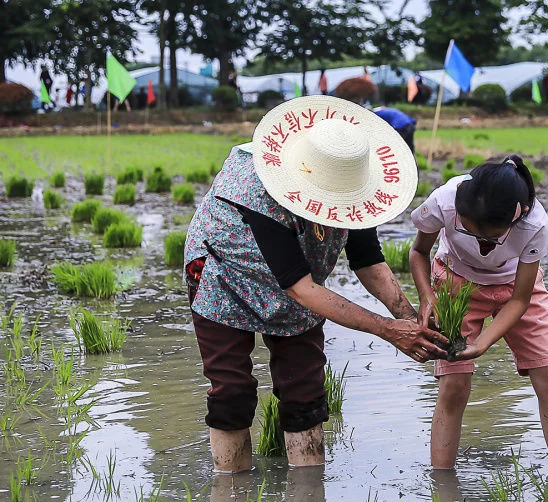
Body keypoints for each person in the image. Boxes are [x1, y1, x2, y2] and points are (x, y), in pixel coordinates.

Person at [184, 95, 447, 473]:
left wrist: (410, 318)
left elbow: (368, 259)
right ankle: (231, 496)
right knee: (232, 389)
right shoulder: (257, 186)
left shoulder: (351, 180)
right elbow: (300, 288)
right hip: (225, 272)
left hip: (298, 276)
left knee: (304, 387)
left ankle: (307, 501)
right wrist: (390, 331)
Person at [409, 156, 548, 470]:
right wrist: (427, 297)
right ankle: (442, 484)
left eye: (489, 238)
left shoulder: (534, 223)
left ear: (515, 219)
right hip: (457, 282)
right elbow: (419, 251)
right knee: (455, 385)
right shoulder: (446, 200)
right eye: (472, 234)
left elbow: (520, 299)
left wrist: (484, 342)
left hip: (516, 285)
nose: (482, 245)